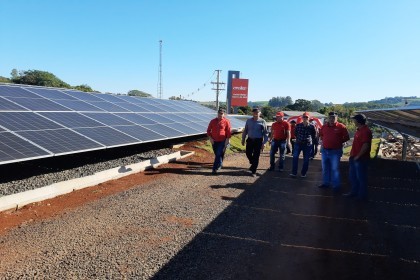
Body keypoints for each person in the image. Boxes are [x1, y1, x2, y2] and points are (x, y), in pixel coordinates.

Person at [318, 112, 350, 192]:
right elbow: (321, 135)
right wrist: (323, 141)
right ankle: (326, 183)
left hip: (335, 151)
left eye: (334, 118)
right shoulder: (324, 126)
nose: (332, 119)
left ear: (336, 118)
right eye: (330, 117)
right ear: (328, 118)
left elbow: (347, 137)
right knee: (325, 168)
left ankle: (336, 186)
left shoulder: (341, 126)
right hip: (325, 150)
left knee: (334, 169)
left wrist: (339, 142)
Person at [344, 114, 372, 200]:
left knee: (361, 178)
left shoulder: (366, 131)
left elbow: (366, 145)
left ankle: (361, 196)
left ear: (359, 121)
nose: (353, 121)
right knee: (353, 177)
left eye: (354, 120)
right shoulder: (359, 130)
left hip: (361, 159)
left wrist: (358, 156)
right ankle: (354, 192)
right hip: (354, 158)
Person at [241, 108, 268, 176]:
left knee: (256, 156)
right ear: (252, 113)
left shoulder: (262, 121)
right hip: (250, 140)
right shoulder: (249, 121)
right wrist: (243, 139)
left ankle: (253, 171)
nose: (256, 113)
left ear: (260, 113)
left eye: (257, 112)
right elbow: (245, 130)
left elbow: (265, 133)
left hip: (258, 141)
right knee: (248, 153)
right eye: (254, 112)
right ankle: (253, 163)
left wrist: (264, 143)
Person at [290, 112, 316, 178]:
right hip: (298, 143)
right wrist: (299, 139)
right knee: (295, 157)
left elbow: (314, 135)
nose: (305, 118)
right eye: (304, 117)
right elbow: (295, 134)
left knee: (306, 159)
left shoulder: (312, 126)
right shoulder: (298, 126)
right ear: (302, 118)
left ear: (309, 118)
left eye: (306, 117)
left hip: (307, 145)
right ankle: (294, 173)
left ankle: (303, 173)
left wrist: (309, 140)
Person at [207, 108, 232, 174]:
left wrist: (228, 140)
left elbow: (228, 131)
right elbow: (208, 130)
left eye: (221, 114)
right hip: (214, 141)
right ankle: (220, 163)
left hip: (222, 141)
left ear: (224, 114)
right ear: (217, 113)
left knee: (218, 154)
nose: (220, 115)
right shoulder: (212, 121)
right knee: (217, 154)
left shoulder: (226, 121)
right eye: (219, 113)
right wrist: (210, 138)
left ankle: (214, 169)